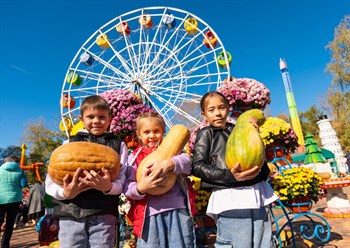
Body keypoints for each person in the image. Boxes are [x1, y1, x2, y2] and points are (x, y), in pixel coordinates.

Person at [191, 91, 278, 248]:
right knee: (239, 242)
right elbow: (197, 166)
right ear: (204, 115)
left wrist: (255, 133)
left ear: (228, 109)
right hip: (230, 199)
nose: (217, 113)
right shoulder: (206, 134)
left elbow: (257, 156)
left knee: (264, 242)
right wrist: (228, 176)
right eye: (211, 110)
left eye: (221, 107)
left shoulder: (239, 128)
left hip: (256, 194)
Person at [45, 95, 128, 248]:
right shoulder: (69, 142)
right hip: (70, 212)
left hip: (103, 212)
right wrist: (65, 193)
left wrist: (108, 187)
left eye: (102, 117)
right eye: (91, 116)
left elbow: (122, 179)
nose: (96, 121)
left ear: (110, 119)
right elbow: (50, 181)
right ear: (81, 119)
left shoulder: (118, 145)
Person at [124, 112, 196, 247]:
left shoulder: (175, 152)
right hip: (148, 215)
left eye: (156, 131)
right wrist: (141, 188)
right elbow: (127, 188)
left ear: (163, 132)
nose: (152, 136)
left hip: (177, 208)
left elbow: (188, 163)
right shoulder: (133, 158)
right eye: (146, 132)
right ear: (139, 134)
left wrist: (169, 164)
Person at [0, 155, 28, 248]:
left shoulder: (0, 169)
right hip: (15, 199)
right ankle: (5, 245)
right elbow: (24, 184)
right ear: (17, 162)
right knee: (10, 223)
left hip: (1, 198)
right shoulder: (20, 171)